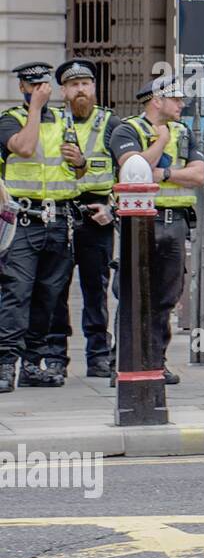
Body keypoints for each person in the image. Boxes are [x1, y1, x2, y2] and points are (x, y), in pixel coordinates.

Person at [109, 73, 204, 386]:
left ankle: (156, 360)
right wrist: (161, 142)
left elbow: (199, 176)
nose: (182, 104)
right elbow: (133, 168)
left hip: (175, 222)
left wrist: (164, 172)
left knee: (166, 296)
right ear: (157, 100)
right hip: (140, 223)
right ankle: (124, 361)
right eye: (176, 98)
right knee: (133, 293)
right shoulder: (127, 128)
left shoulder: (185, 130)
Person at [0, 62, 77, 391]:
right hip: (24, 221)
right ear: (23, 88)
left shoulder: (64, 120)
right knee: (16, 294)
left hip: (58, 219)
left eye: (42, 85)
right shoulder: (10, 120)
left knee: (49, 296)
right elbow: (26, 147)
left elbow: (79, 170)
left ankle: (32, 363)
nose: (39, 90)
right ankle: (5, 365)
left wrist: (80, 161)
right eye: (32, 86)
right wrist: (35, 108)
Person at [45, 60, 119, 379]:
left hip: (96, 214)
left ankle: (98, 354)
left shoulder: (111, 124)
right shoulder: (52, 123)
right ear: (63, 91)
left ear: (94, 88)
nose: (80, 90)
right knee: (54, 288)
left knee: (95, 288)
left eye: (85, 84)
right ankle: (55, 356)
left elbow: (129, 172)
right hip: (60, 213)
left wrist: (112, 209)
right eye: (74, 85)